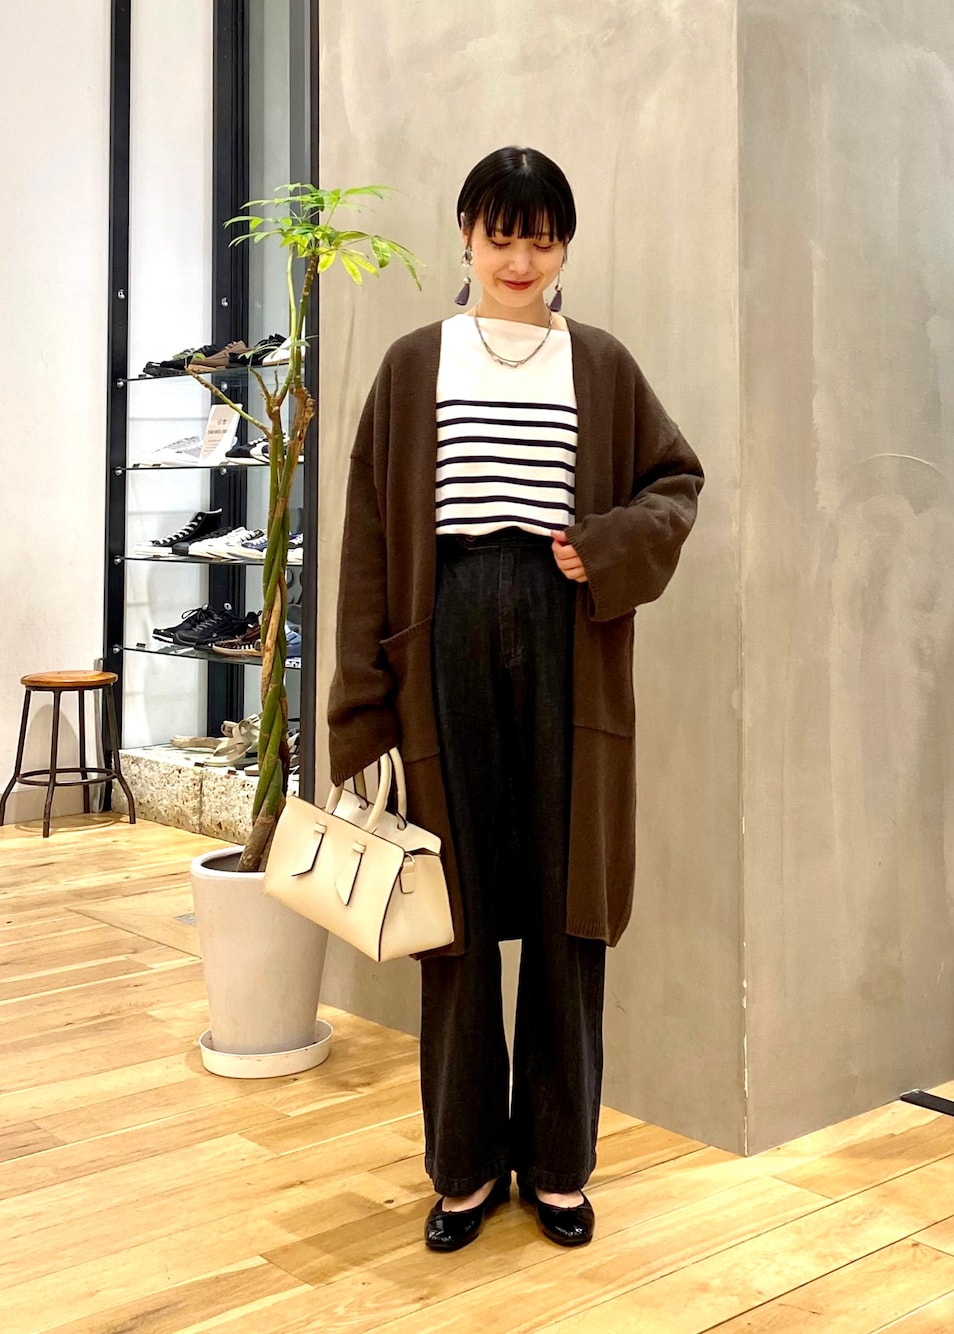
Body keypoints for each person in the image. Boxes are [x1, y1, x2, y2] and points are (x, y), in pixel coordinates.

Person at [328, 146, 704, 1252]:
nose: (521, 259)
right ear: (466, 235)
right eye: (502, 236)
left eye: (542, 239)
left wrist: (605, 546)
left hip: (565, 641)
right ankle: (462, 1169)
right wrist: (362, 710)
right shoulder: (414, 365)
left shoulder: (601, 363)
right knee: (450, 917)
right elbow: (368, 544)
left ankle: (556, 1165)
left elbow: (675, 483)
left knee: (564, 911)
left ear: (565, 247)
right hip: (442, 638)